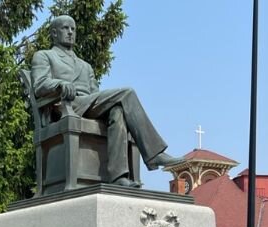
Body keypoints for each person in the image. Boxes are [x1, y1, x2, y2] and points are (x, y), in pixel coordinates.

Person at [31, 16, 184, 188]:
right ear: (54, 33)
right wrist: (59, 84)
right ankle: (154, 154)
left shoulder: (85, 66)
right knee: (127, 93)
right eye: (65, 28)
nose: (70, 32)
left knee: (117, 110)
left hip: (89, 103)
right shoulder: (44, 56)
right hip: (66, 103)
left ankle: (118, 177)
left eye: (73, 29)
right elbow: (39, 85)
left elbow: (95, 93)